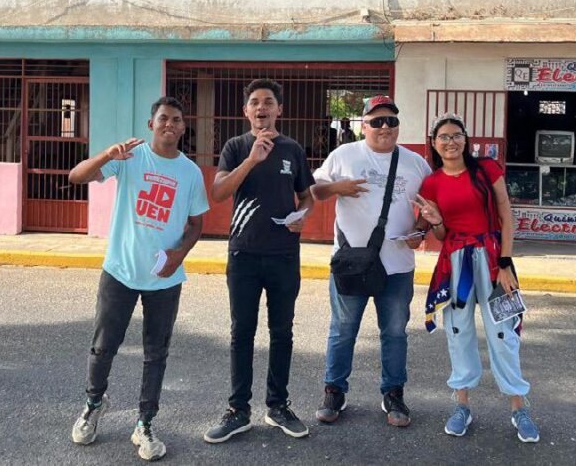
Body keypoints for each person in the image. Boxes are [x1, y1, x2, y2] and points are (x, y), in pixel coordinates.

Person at [67, 97, 209, 462]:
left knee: (156, 354)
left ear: (183, 127)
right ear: (151, 124)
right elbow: (76, 176)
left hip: (164, 277)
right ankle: (93, 405)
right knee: (103, 346)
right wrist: (106, 155)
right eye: (163, 118)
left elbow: (196, 224)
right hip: (120, 271)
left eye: (176, 120)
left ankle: (145, 423)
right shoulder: (129, 157)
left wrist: (179, 255)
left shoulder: (190, 173)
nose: (169, 125)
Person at [415, 113, 540, 443]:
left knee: (504, 332)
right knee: (458, 331)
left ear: (466, 139)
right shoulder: (431, 183)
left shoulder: (486, 169)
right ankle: (461, 406)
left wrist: (506, 262)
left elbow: (506, 214)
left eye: (456, 135)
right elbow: (441, 235)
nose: (451, 142)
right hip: (455, 263)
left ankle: (519, 407)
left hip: (494, 258)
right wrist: (435, 220)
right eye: (443, 137)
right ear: (434, 143)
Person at [203, 79, 315, 443]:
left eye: (268, 101)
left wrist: (303, 216)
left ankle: (278, 406)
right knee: (242, 332)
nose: (261, 107)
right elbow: (219, 193)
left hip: (284, 255)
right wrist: (252, 159)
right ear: (246, 111)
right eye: (254, 102)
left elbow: (307, 196)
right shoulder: (236, 147)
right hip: (244, 255)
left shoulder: (293, 150)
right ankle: (238, 410)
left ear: (279, 109)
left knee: (282, 332)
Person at [311, 95, 432, 428]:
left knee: (394, 333)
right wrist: (338, 187)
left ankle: (393, 393)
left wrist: (421, 231)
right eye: (377, 121)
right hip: (351, 263)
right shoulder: (344, 155)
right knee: (342, 330)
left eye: (391, 121)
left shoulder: (415, 163)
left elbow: (431, 205)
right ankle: (334, 391)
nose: (385, 127)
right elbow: (315, 190)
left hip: (397, 265)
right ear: (363, 126)